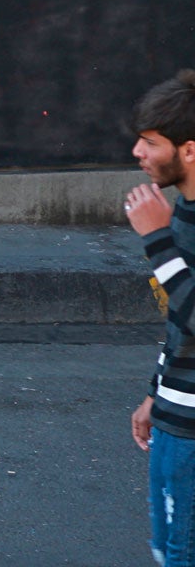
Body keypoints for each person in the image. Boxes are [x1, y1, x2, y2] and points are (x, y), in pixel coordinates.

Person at [123, 70, 195, 567]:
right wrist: (157, 390)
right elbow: (180, 319)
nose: (137, 152)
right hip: (176, 413)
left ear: (188, 151)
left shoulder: (169, 225)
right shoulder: (184, 210)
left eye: (150, 142)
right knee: (168, 548)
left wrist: (157, 241)